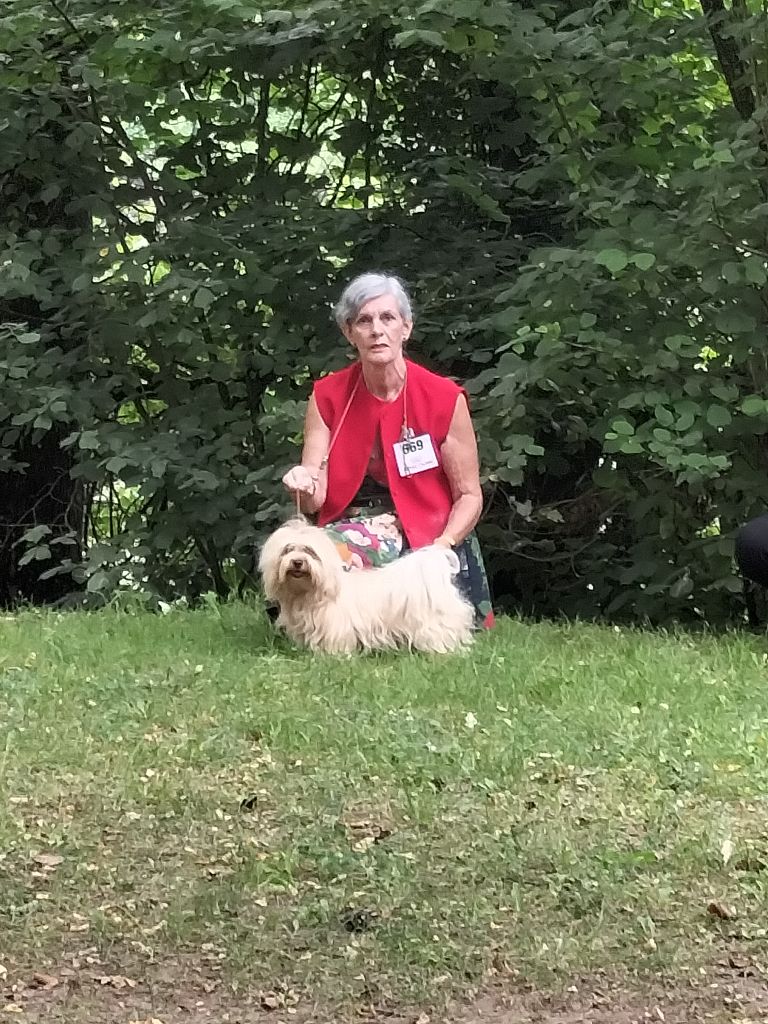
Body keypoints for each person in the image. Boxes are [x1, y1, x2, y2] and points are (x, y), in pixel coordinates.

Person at [281, 271, 495, 628]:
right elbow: (315, 497)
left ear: (406, 328)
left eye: (387, 318)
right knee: (312, 565)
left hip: (433, 531)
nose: (376, 330)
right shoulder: (327, 396)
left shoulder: (444, 398)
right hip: (356, 525)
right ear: (350, 333)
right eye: (363, 321)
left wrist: (443, 546)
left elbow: (470, 495)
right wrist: (302, 484)